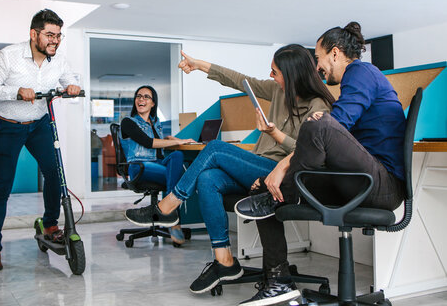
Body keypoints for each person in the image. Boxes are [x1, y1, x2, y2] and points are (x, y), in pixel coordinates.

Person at [125, 44, 335, 295]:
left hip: (284, 174)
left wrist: (274, 133)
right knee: (207, 178)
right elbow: (239, 80)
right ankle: (224, 259)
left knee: (214, 148)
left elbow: (307, 151)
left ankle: (169, 206)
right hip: (258, 166)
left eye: (275, 72)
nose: (270, 76)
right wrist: (199, 65)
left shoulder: (318, 105)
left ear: (291, 74)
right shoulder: (279, 92)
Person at [235, 22, 407, 306]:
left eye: (318, 58)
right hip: (359, 181)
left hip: (382, 185)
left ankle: (283, 194)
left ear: (336, 54)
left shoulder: (361, 72)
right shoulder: (356, 81)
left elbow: (335, 124)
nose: (317, 68)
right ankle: (277, 281)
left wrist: (282, 167)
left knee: (319, 123)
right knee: (263, 188)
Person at [0, 9, 81, 271]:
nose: (55, 41)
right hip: (8, 126)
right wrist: (16, 91)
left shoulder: (58, 61)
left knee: (54, 174)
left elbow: (71, 79)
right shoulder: (8, 56)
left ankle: (49, 225)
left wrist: (72, 86)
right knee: (2, 188)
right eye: (49, 35)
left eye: (58, 36)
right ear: (34, 34)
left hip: (39, 124)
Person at [120, 85, 195, 244]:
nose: (141, 99)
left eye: (146, 97)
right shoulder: (128, 122)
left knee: (177, 155)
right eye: (138, 96)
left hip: (157, 164)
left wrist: (171, 140)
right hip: (140, 167)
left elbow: (156, 140)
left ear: (153, 103)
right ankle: (174, 222)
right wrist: (178, 141)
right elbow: (147, 142)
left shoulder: (156, 123)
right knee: (181, 178)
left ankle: (167, 211)